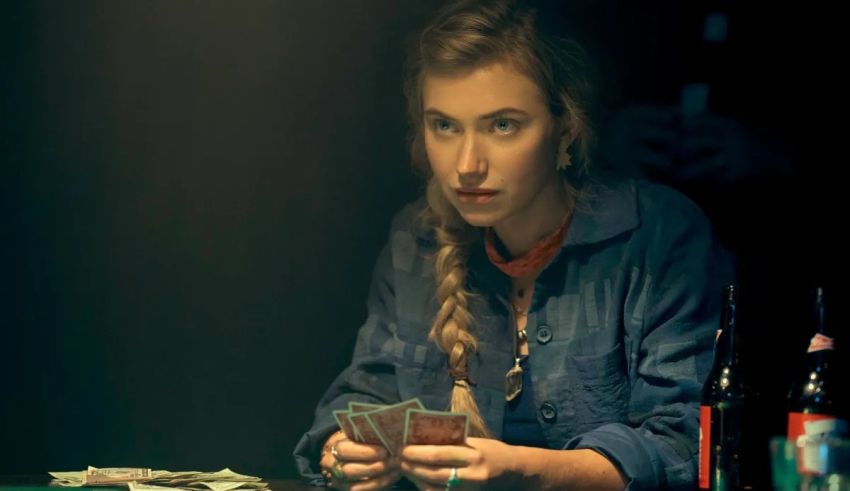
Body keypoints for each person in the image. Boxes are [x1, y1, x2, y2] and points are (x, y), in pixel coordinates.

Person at [293, 0, 733, 489]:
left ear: (566, 128)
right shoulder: (415, 238)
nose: (466, 166)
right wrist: (344, 451)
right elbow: (360, 396)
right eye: (444, 125)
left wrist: (525, 470)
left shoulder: (658, 236)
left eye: (502, 125)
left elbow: (688, 443)